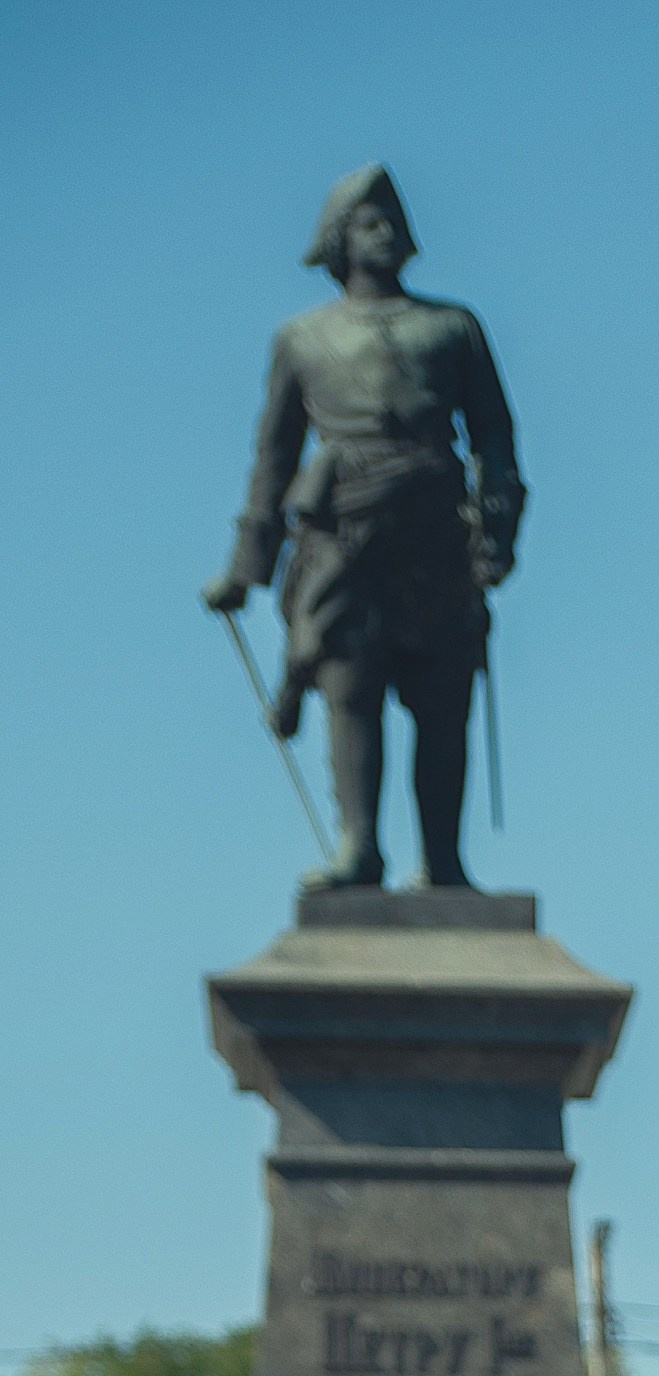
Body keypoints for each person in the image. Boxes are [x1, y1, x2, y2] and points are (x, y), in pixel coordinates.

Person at [206, 166, 521, 892]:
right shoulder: (303, 339)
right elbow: (274, 455)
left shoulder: (453, 327)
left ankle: (444, 860)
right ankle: (361, 846)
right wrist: (245, 570)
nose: (381, 232)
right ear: (338, 241)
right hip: (345, 533)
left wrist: (497, 531)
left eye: (390, 219)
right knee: (352, 690)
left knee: (443, 699)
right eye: (365, 221)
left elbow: (495, 438)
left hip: (437, 532)